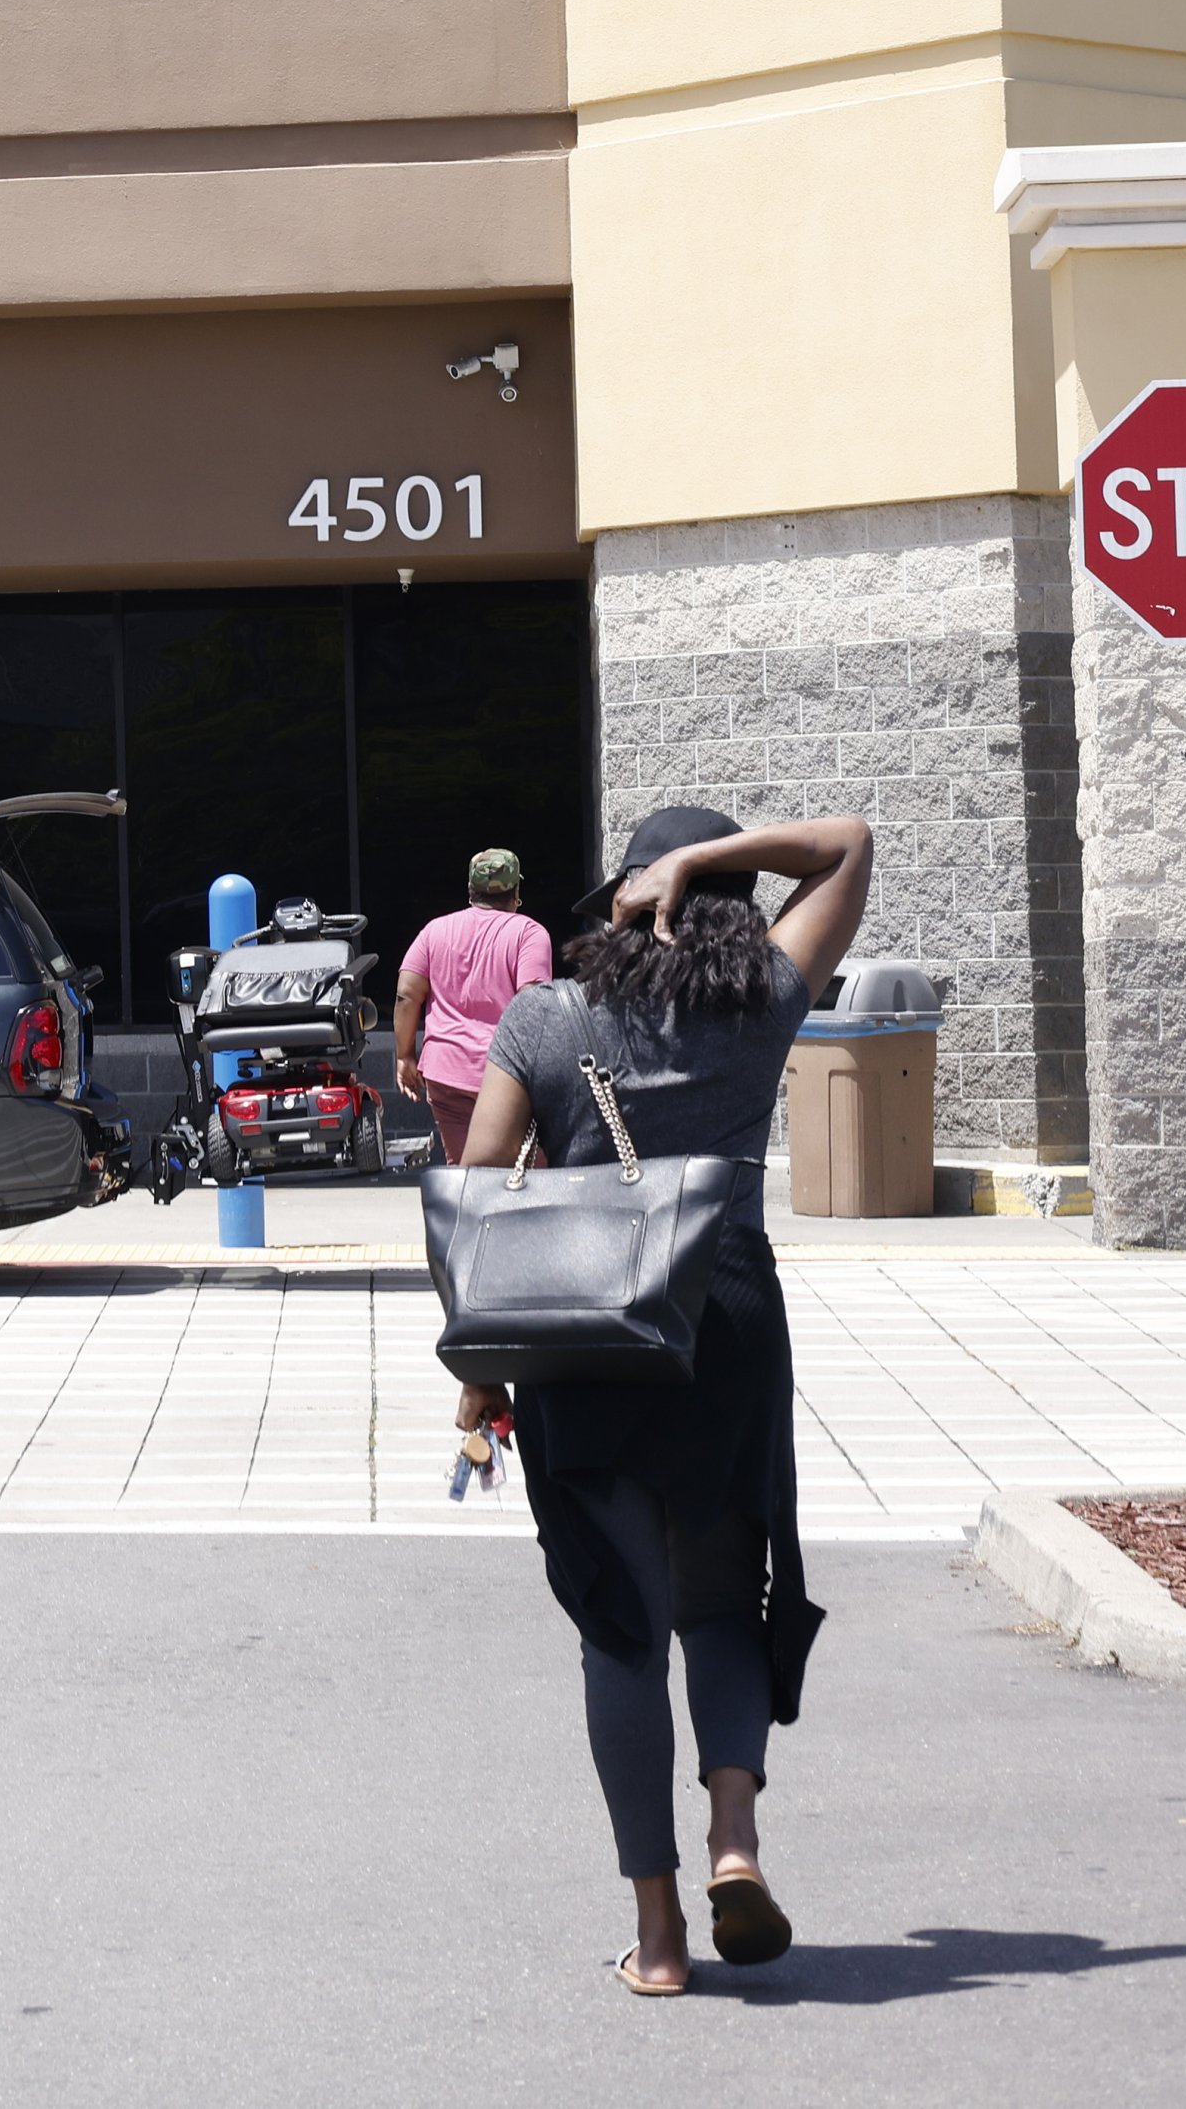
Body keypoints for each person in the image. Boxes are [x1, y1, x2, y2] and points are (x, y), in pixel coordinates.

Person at [453, 804, 872, 1998]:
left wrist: (482, 1375)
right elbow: (848, 844)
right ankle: (735, 1837)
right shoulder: (764, 999)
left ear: (627, 902)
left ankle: (662, 1936)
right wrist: (710, 862)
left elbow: (477, 1188)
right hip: (726, 1317)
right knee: (723, 1603)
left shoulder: (547, 1017)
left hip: (585, 1331)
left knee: (621, 1632)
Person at [395, 848, 552, 1165]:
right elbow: (532, 1005)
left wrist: (405, 1056)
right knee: (528, 1172)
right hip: (507, 1074)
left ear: (470, 889)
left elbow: (406, 996)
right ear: (516, 892)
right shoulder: (529, 934)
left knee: (466, 1172)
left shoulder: (435, 931)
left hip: (446, 1074)